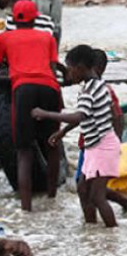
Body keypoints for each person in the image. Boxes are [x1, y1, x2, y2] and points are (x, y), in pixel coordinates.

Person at [33, 45, 121, 228]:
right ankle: (91, 229)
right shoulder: (97, 85)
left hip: (102, 146)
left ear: (80, 68)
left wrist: (47, 114)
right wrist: (63, 131)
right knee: (82, 188)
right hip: (94, 145)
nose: (68, 75)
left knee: (97, 196)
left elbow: (79, 116)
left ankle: (112, 236)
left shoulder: (89, 90)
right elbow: (85, 116)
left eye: (70, 69)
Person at [0, 0, 60, 211]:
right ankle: (53, 199)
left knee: (23, 151)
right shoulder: (47, 37)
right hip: (50, 89)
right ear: (36, 19)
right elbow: (52, 69)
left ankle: (26, 208)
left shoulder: (4, 38)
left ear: (14, 19)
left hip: (23, 89)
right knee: (53, 144)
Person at [61, 49, 127, 213]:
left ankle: (102, 222)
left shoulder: (102, 90)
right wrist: (63, 131)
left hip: (97, 146)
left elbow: (118, 117)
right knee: (86, 188)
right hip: (87, 145)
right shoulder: (89, 89)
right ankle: (93, 224)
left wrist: (115, 143)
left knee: (91, 190)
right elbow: (82, 116)